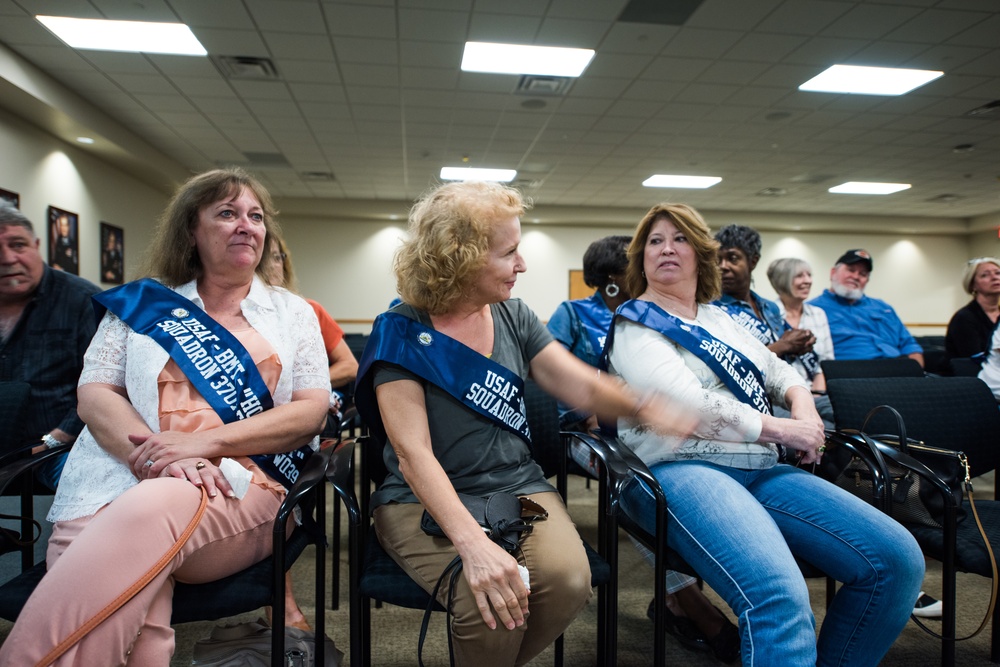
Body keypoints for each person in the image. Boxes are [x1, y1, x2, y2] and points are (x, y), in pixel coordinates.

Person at [353, 181, 694, 667]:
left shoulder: (514, 315)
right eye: (509, 252)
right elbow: (413, 455)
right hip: (420, 500)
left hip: (517, 487)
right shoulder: (403, 330)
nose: (523, 264)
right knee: (484, 598)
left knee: (569, 581)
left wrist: (652, 405)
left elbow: (580, 385)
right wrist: (473, 546)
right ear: (460, 257)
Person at [0, 168, 332, 665]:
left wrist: (202, 447)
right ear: (190, 231)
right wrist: (155, 457)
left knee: (145, 514)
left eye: (256, 216)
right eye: (227, 213)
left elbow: (310, 411)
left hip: (242, 485)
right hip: (113, 476)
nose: (247, 226)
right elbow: (94, 394)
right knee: (134, 588)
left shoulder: (293, 313)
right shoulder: (144, 301)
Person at [607, 202, 924, 666]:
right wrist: (785, 429)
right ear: (641, 258)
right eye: (655, 241)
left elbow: (776, 368)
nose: (667, 249)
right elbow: (684, 404)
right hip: (679, 469)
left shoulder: (718, 319)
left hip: (758, 466)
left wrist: (802, 406)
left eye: (680, 239)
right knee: (778, 597)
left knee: (897, 562)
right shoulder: (636, 321)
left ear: (700, 255)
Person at [547, 234, 738, 660]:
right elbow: (550, 379)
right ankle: (689, 600)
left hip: (650, 427)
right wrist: (594, 415)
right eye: (634, 263)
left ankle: (689, 590)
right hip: (587, 433)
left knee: (686, 476)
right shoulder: (573, 313)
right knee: (635, 483)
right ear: (613, 277)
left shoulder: (654, 315)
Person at [262, 232, 358, 632]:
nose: (271, 264)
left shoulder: (307, 309)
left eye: (278, 256)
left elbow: (349, 367)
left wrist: (308, 386)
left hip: (309, 411)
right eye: (266, 257)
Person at [0, 202, 100, 489]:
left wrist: (54, 439)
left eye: (18, 245)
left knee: (89, 488)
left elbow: (109, 387)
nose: (8, 259)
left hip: (59, 448)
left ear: (37, 245)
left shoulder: (82, 300)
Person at [712, 226, 833, 426]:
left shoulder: (768, 307)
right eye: (718, 260)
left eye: (732, 258)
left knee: (845, 410)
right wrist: (784, 346)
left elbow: (783, 353)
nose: (723, 266)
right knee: (824, 427)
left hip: (789, 389)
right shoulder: (713, 310)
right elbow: (730, 365)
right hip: (754, 400)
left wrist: (800, 344)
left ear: (753, 261)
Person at [809, 249, 924, 366]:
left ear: (867, 280)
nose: (855, 276)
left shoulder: (884, 308)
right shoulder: (812, 309)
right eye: (851, 270)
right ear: (833, 273)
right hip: (849, 372)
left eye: (863, 274)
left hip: (896, 369)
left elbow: (909, 345)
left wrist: (918, 374)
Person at [766, 257, 835, 392]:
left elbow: (826, 361)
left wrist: (817, 394)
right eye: (799, 276)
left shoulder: (818, 314)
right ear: (782, 281)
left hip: (815, 392)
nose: (808, 281)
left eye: (809, 275)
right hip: (778, 394)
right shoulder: (767, 315)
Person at [945, 257, 1000, 361]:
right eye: (985, 275)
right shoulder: (964, 318)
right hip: (970, 374)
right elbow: (974, 358)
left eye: (998, 273)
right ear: (973, 285)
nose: (994, 277)